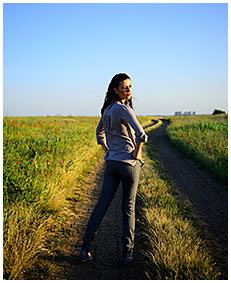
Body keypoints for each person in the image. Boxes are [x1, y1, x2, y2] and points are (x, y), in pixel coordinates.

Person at [78, 73, 148, 265]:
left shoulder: (107, 109)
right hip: (128, 164)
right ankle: (127, 254)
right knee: (128, 208)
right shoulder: (124, 109)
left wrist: (107, 150)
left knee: (102, 205)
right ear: (115, 89)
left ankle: (85, 249)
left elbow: (99, 132)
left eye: (130, 87)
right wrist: (138, 154)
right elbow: (142, 134)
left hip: (111, 163)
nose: (128, 90)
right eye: (124, 87)